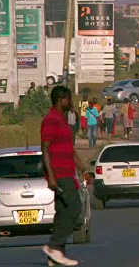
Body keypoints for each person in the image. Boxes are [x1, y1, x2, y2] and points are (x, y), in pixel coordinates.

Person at [40, 86, 87, 266]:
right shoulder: (51, 120)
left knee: (62, 213)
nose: (71, 102)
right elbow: (45, 149)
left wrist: (81, 166)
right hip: (59, 174)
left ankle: (56, 256)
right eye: (69, 99)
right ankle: (54, 246)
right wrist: (51, 177)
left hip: (68, 172)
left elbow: (69, 148)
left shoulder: (62, 121)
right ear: (61, 100)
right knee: (75, 209)